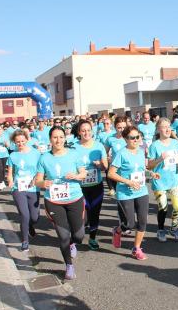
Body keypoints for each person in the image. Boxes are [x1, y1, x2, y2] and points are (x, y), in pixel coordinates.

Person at [35, 126, 87, 280]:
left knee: (79, 235)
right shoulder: (44, 158)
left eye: (61, 137)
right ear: (50, 139)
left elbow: (83, 173)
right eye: (55, 137)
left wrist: (77, 176)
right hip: (54, 201)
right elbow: (37, 181)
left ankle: (73, 243)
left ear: (65, 138)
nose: (58, 140)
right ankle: (69, 266)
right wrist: (43, 183)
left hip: (75, 198)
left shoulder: (73, 154)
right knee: (63, 235)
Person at [108, 125, 151, 260]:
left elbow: (141, 169)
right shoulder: (122, 153)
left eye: (138, 137)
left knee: (143, 222)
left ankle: (136, 248)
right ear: (126, 139)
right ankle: (117, 231)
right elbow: (111, 174)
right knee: (129, 224)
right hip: (125, 193)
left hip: (141, 191)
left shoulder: (141, 151)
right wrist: (128, 182)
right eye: (132, 138)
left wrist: (151, 173)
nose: (136, 140)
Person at [148, 118, 178, 242]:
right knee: (163, 207)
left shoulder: (175, 142)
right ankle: (160, 230)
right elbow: (149, 165)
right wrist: (160, 158)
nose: (168, 129)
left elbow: (177, 156)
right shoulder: (154, 145)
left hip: (174, 180)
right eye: (164, 127)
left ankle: (174, 229)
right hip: (160, 182)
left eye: (169, 126)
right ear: (159, 129)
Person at [74, 120, 108, 250]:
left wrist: (100, 165)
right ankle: (77, 235)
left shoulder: (99, 146)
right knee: (81, 214)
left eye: (88, 130)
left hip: (96, 186)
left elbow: (105, 167)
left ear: (92, 131)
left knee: (95, 213)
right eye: (83, 130)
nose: (86, 133)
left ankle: (92, 238)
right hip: (79, 187)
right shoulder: (73, 147)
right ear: (79, 132)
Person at [7, 130, 41, 252]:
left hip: (33, 188)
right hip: (18, 188)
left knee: (34, 217)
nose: (20, 143)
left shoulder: (36, 153)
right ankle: (25, 241)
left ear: (27, 140)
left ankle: (31, 224)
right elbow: (10, 173)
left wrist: (35, 179)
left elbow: (40, 170)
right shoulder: (12, 155)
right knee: (24, 215)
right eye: (17, 142)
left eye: (22, 141)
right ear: (14, 142)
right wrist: (10, 181)